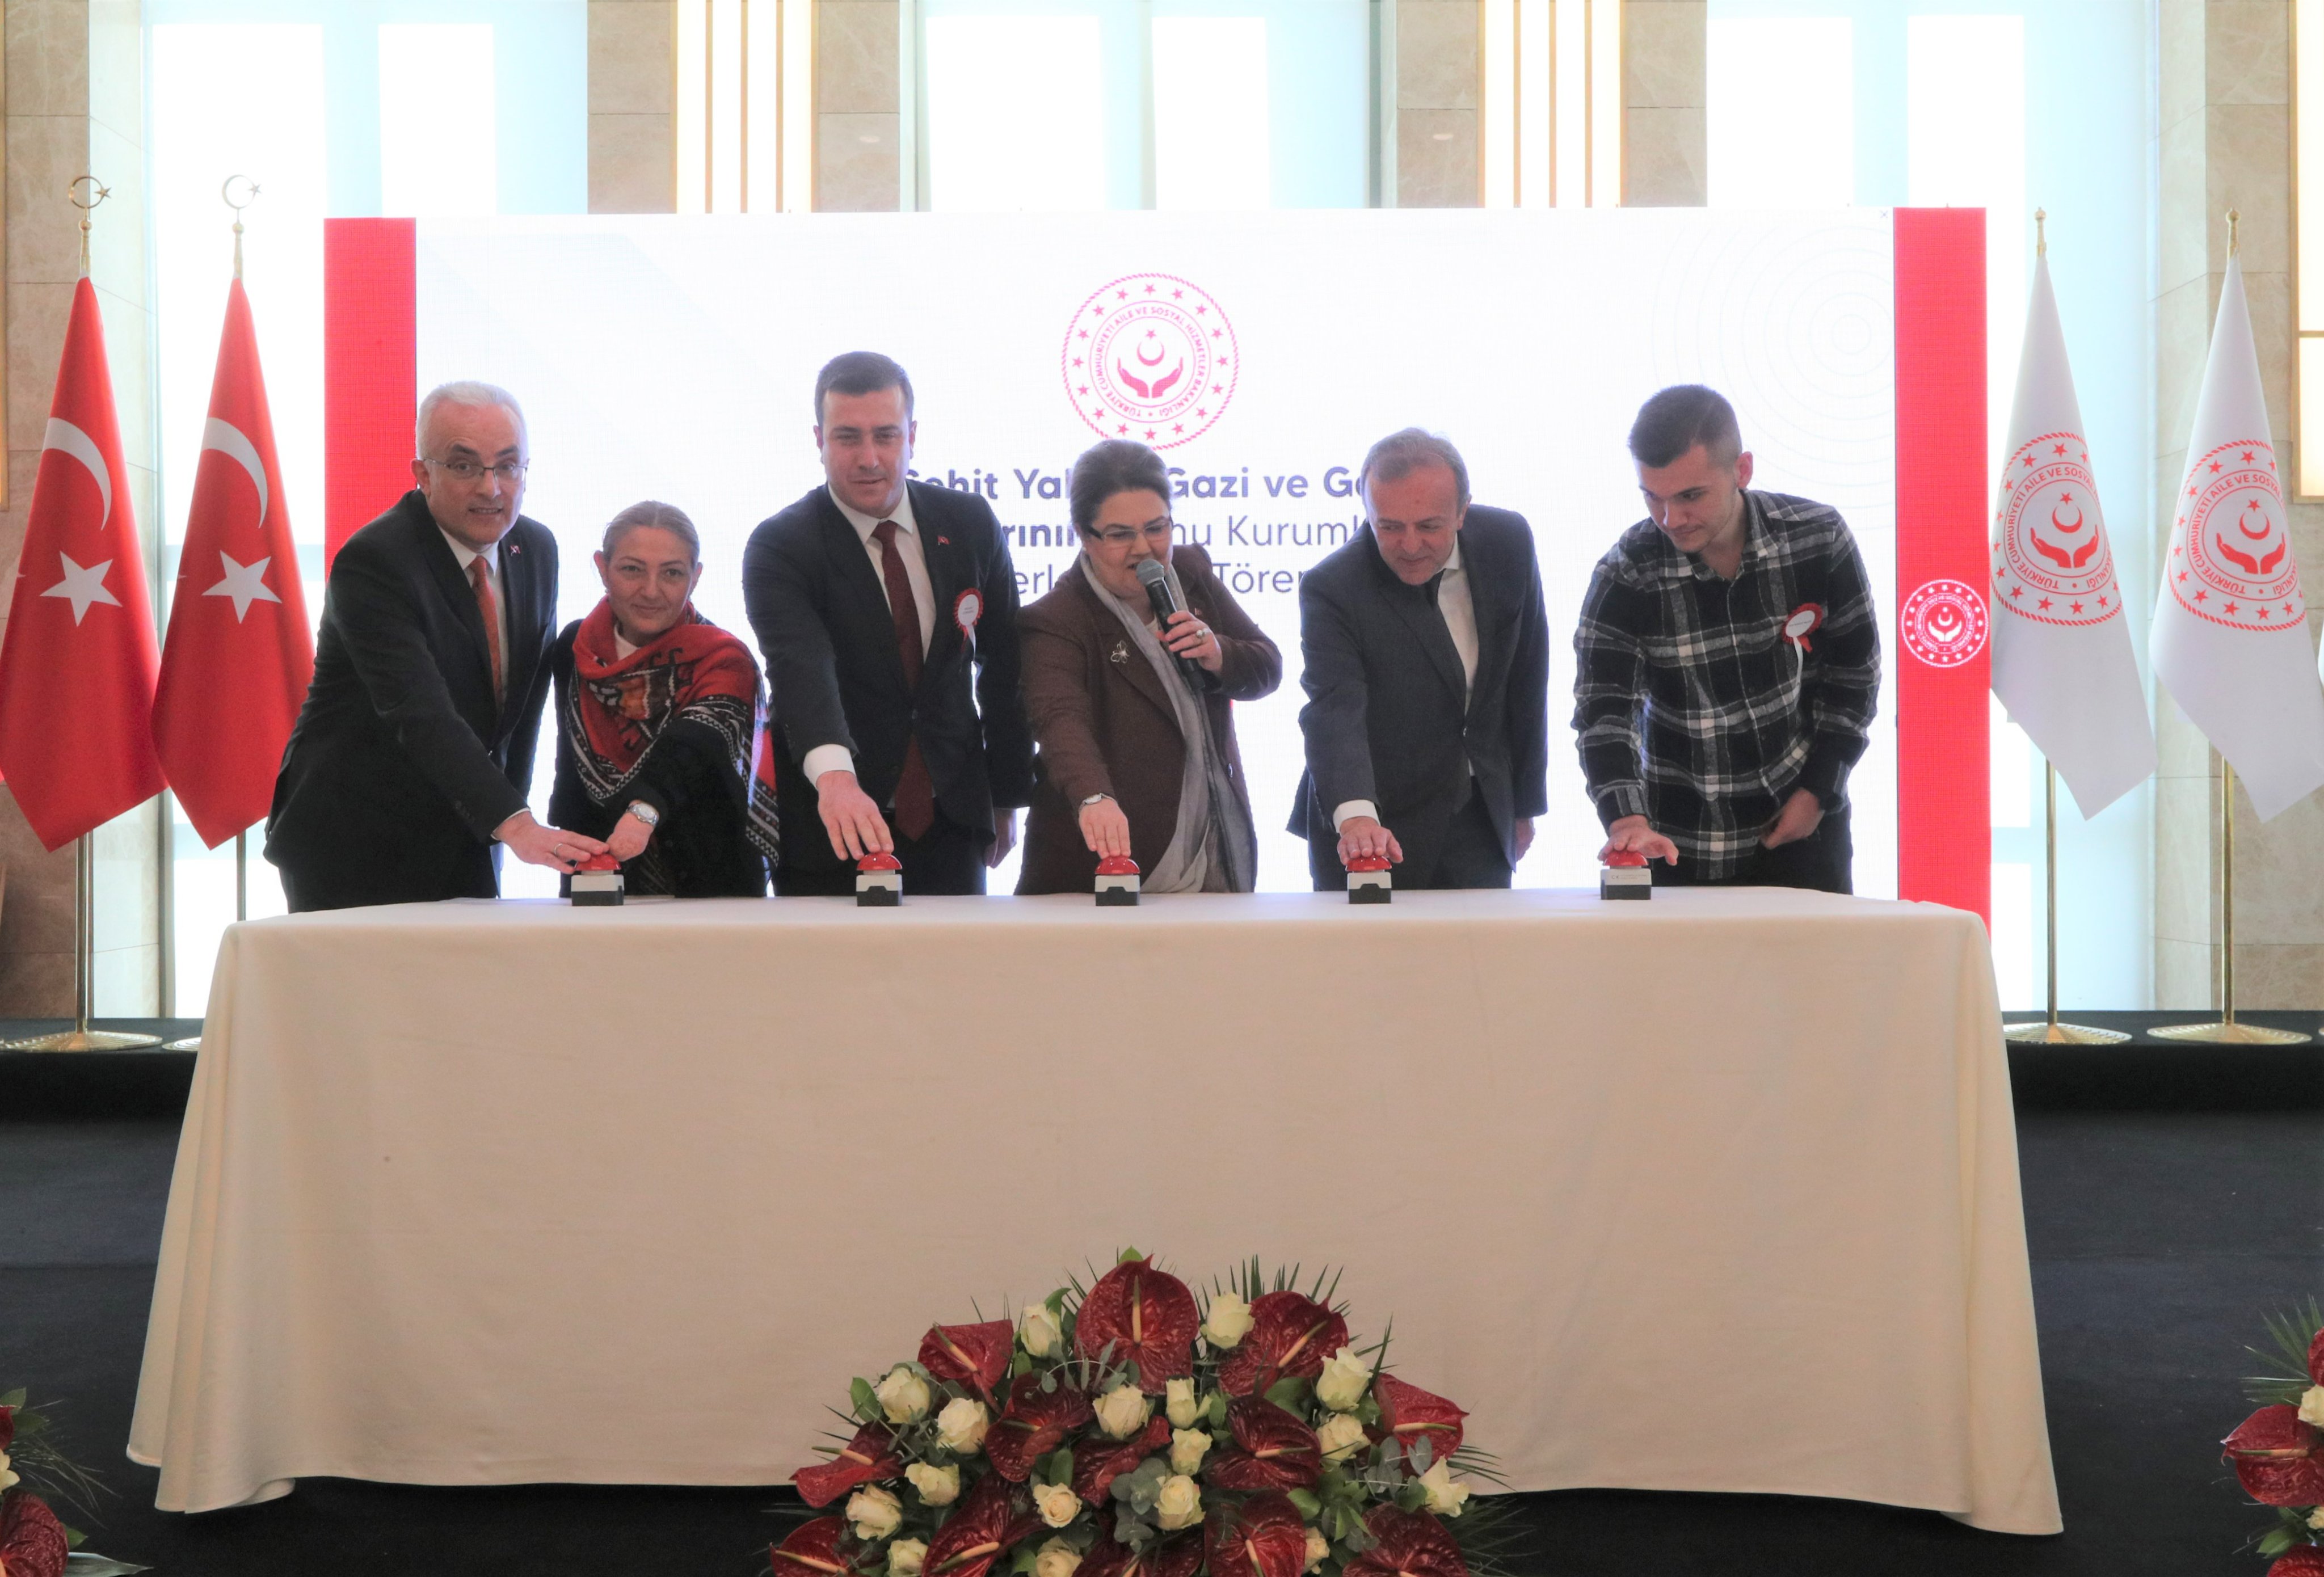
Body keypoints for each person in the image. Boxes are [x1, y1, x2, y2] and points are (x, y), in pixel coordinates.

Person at [266, 381, 603, 911]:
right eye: (465, 466)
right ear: (423, 474)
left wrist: (509, 817)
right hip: (354, 842)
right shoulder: (375, 561)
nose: (492, 488)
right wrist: (514, 824)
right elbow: (419, 711)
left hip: (468, 829)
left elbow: (525, 703)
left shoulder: (536, 547)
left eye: (508, 466)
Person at [742, 352, 1032, 895]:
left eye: (886, 436)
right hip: (831, 823)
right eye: (848, 438)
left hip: (953, 817)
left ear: (912, 436)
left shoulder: (969, 522)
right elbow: (802, 669)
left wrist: (1009, 794)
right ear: (819, 440)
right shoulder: (782, 544)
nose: (869, 458)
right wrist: (836, 780)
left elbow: (1004, 665)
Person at [1573, 384, 1880, 893]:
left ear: (1742, 470)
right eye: (1652, 497)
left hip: (1803, 829)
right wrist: (1627, 820)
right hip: (1675, 844)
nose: (1670, 519)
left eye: (1690, 496)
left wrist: (1818, 792)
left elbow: (1854, 679)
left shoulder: (1818, 538)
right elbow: (1603, 713)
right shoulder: (1626, 573)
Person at [1289, 428, 1550, 891]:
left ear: (1462, 511)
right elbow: (1334, 710)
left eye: (1429, 526)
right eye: (1389, 527)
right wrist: (1357, 819)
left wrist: (1524, 805)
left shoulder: (1508, 542)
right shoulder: (1334, 587)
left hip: (1482, 818)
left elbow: (1528, 673)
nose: (1409, 546)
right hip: (1373, 831)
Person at [1016, 440, 1280, 894]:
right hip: (1109, 864)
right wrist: (1093, 798)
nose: (1144, 549)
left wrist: (1218, 653)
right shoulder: (1059, 618)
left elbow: (1267, 667)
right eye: (1120, 535)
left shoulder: (1192, 573)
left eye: (1157, 528)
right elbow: (1061, 722)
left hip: (1215, 850)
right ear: (1084, 536)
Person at [546, 501, 780, 897]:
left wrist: (642, 812)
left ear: (695, 578)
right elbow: (570, 770)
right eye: (632, 570)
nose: (651, 591)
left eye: (672, 573)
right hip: (599, 869)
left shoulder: (724, 659)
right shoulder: (576, 646)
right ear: (603, 568)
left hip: (711, 883)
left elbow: (690, 748)